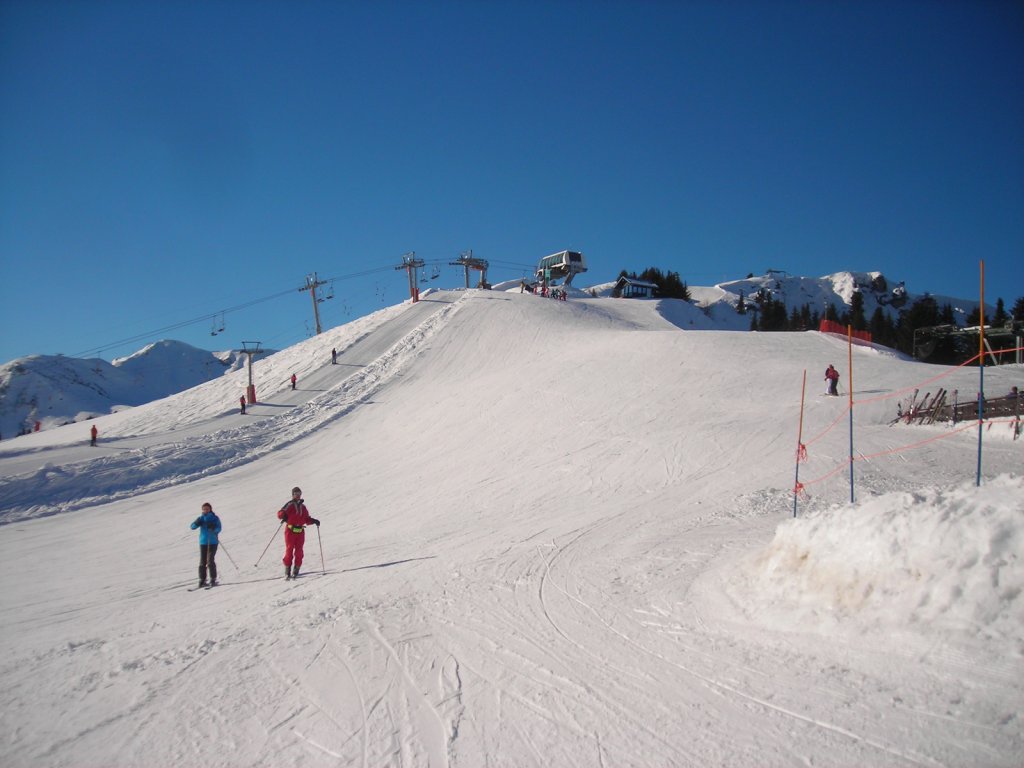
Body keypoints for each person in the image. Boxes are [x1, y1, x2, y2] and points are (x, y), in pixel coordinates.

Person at [277, 486, 320, 579]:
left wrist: (313, 521)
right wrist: (283, 515)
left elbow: (306, 519)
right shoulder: (290, 504)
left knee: (299, 551)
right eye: (296, 494)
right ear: (292, 495)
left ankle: (296, 570)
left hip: (300, 531)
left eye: (299, 494)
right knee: (289, 549)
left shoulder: (303, 507)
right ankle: (287, 570)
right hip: (290, 531)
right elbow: (280, 513)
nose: (298, 496)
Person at [190, 502, 222, 588]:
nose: (205, 510)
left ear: (210, 509)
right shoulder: (201, 518)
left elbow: (219, 528)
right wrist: (197, 522)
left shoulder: (214, 518)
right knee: (202, 561)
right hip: (203, 542)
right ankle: (202, 580)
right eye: (204, 509)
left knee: (210, 560)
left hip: (213, 542)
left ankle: (213, 579)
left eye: (207, 509)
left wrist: (213, 528)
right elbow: (192, 527)